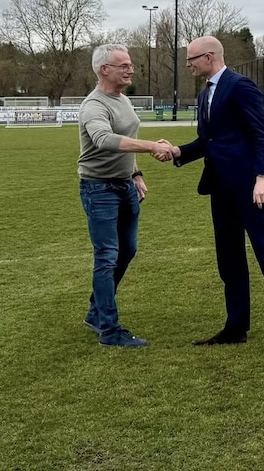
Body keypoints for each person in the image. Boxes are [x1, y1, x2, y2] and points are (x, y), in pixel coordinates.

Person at [162, 36, 264, 355]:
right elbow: (208, 141)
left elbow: (261, 135)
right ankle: (236, 327)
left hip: (250, 188)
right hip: (220, 189)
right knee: (229, 260)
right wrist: (177, 152)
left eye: (192, 58)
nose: (188, 64)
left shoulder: (241, 86)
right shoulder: (205, 95)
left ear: (210, 56)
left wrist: (261, 177)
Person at [77, 43, 175, 348]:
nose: (131, 69)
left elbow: (126, 140)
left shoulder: (124, 101)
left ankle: (96, 311)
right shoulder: (94, 105)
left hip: (123, 185)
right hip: (99, 188)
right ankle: (109, 329)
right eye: (124, 65)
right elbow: (104, 140)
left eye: (130, 64)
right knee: (106, 257)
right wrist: (152, 146)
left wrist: (135, 173)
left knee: (127, 251)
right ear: (104, 69)